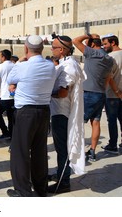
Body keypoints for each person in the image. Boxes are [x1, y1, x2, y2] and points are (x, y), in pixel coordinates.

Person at [6, 35, 56, 197]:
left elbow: (10, 79)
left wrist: (21, 60)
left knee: (20, 152)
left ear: (26, 49)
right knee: (39, 152)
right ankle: (40, 188)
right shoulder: (50, 66)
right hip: (43, 112)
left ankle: (22, 190)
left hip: (25, 113)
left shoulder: (22, 66)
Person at [48, 35, 85, 194]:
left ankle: (63, 183)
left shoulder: (69, 67)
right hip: (58, 112)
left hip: (61, 113)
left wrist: (46, 94)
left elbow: (63, 93)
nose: (51, 49)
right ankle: (60, 174)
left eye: (54, 47)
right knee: (60, 148)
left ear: (62, 50)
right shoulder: (66, 64)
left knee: (62, 149)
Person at [72, 34, 113, 162]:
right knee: (96, 122)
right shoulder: (109, 59)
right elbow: (108, 78)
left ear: (93, 44)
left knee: (79, 123)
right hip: (100, 93)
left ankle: (76, 152)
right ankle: (93, 152)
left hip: (88, 93)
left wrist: (89, 35)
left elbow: (75, 40)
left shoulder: (92, 53)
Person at [101, 34, 122, 153]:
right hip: (118, 94)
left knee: (112, 120)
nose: (104, 47)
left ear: (113, 43)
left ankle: (113, 144)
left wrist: (118, 92)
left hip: (113, 95)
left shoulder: (110, 57)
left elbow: (110, 78)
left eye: (105, 44)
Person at [0, 49, 15, 140]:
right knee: (11, 116)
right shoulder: (15, 66)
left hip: (4, 95)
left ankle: (5, 131)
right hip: (13, 95)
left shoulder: (0, 67)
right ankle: (11, 134)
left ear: (3, 57)